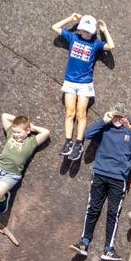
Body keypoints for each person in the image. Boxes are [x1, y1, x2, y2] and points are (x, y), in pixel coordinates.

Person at [69, 104, 131, 261]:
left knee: (113, 213)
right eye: (115, 116)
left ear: (125, 117)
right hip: (100, 174)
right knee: (93, 208)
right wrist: (103, 120)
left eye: (120, 116)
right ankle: (84, 243)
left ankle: (109, 249)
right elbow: (88, 134)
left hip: (119, 178)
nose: (117, 119)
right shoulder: (105, 129)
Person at [51, 12, 115, 161]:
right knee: (69, 113)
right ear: (79, 29)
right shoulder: (73, 37)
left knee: (81, 114)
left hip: (85, 83)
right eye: (83, 30)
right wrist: (70, 18)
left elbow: (111, 46)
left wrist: (104, 31)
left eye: (89, 30)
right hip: (70, 82)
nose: (86, 33)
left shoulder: (96, 44)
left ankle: (79, 144)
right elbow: (54, 27)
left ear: (93, 32)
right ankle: (68, 142)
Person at [0, 113, 50, 214]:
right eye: (15, 132)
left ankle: (3, 198)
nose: (16, 135)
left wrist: (32, 127)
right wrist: (19, 124)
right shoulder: (11, 134)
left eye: (19, 132)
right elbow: (4, 116)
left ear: (28, 131)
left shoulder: (31, 142)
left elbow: (46, 132)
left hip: (11, 175)